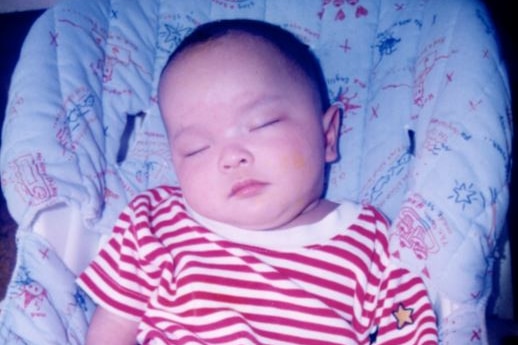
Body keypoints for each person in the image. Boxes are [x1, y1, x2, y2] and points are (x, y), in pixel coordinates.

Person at [77, 19, 438, 344]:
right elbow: (111, 331)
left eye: (263, 124)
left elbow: (407, 330)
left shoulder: (370, 240)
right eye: (196, 148)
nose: (231, 157)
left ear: (327, 136)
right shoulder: (154, 221)